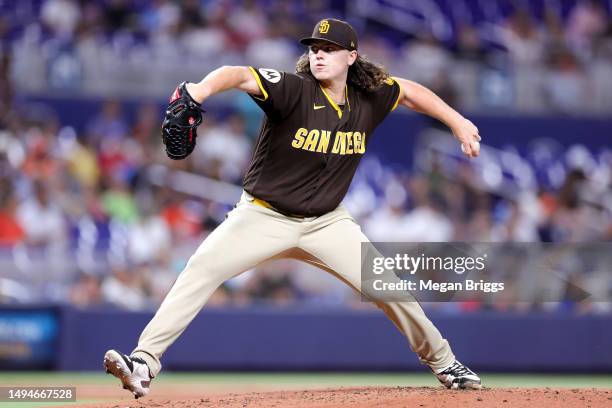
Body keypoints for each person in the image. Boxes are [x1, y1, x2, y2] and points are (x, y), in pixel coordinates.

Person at [103, 18, 482, 399]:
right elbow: (236, 73)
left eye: (329, 49)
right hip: (263, 215)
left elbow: (409, 92)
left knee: (387, 287)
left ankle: (445, 362)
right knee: (200, 269)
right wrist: (200, 91)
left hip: (327, 223)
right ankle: (143, 362)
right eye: (315, 48)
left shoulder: (370, 96)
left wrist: (457, 121)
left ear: (351, 56)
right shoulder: (293, 90)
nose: (319, 54)